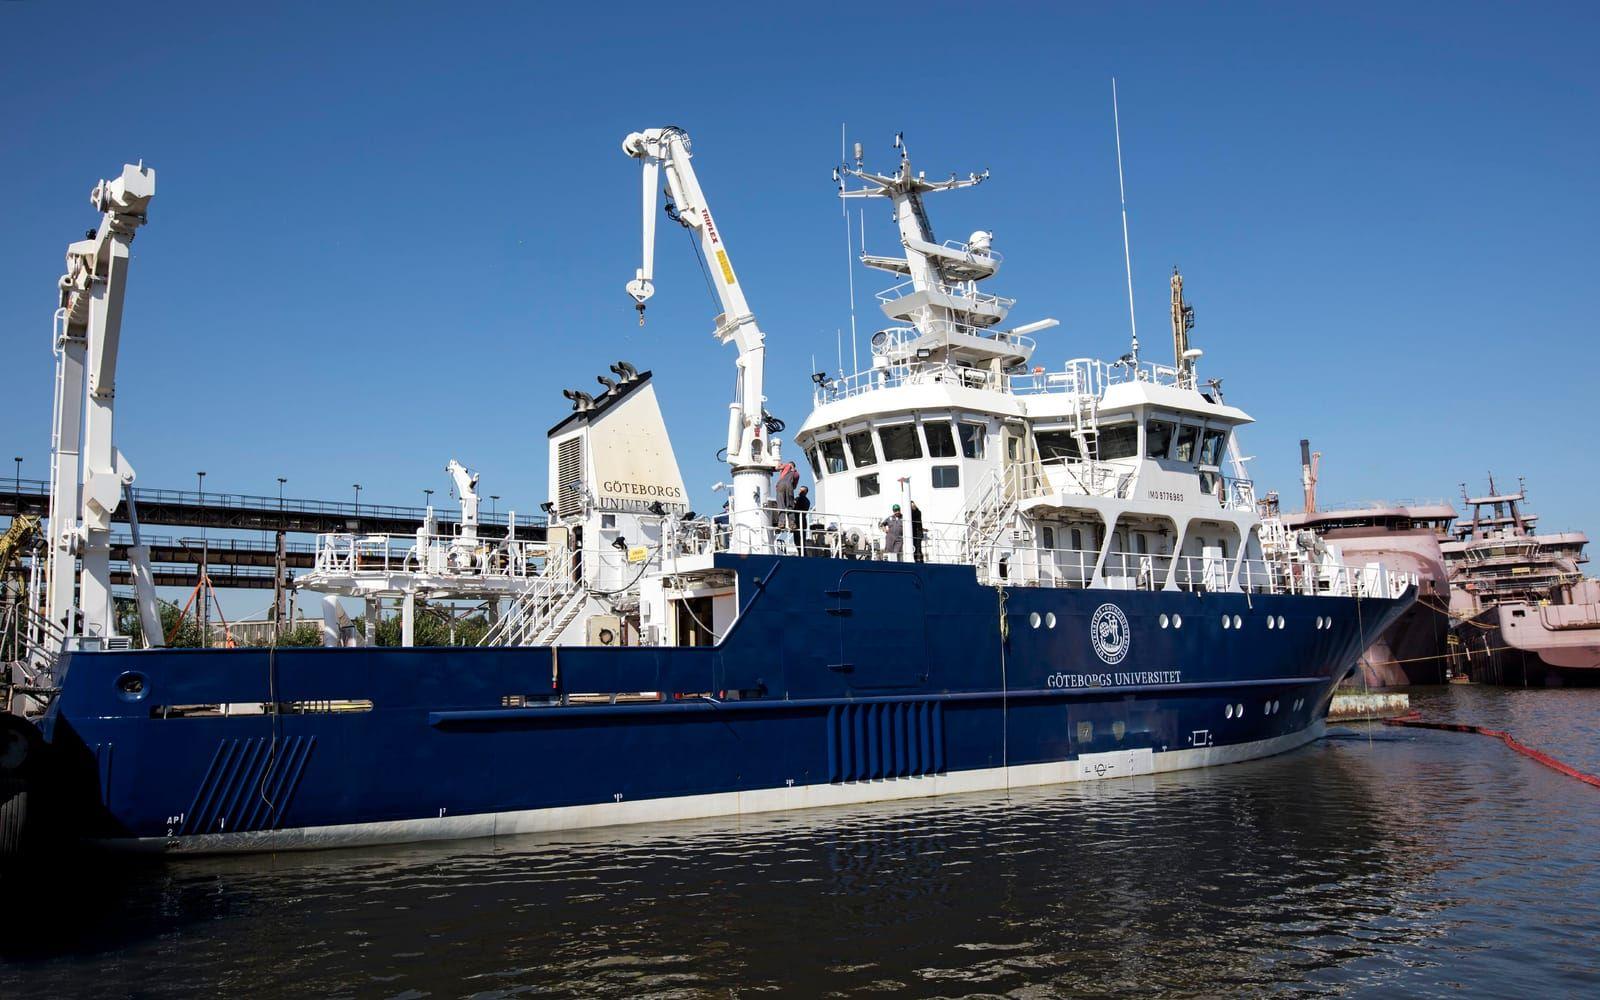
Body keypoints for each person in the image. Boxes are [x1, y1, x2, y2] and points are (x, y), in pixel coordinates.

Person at [792, 485, 812, 553]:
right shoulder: (806, 500)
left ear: (805, 492)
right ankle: (802, 554)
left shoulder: (802, 499)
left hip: (800, 521)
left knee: (799, 541)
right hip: (800, 521)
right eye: (800, 490)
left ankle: (802, 554)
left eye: (802, 490)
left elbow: (796, 507)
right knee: (798, 541)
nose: (800, 491)